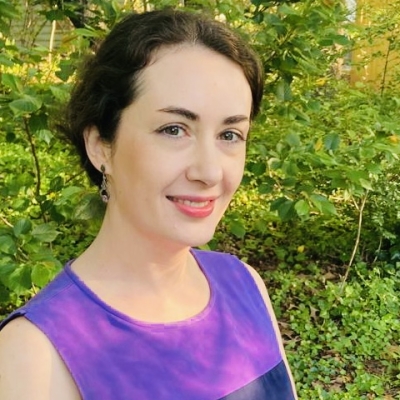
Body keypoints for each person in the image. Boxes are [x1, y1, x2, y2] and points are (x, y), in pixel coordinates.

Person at [0, 9, 297, 400]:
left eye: (230, 134)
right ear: (100, 145)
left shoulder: (244, 284)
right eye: (174, 129)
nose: (209, 171)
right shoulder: (34, 355)